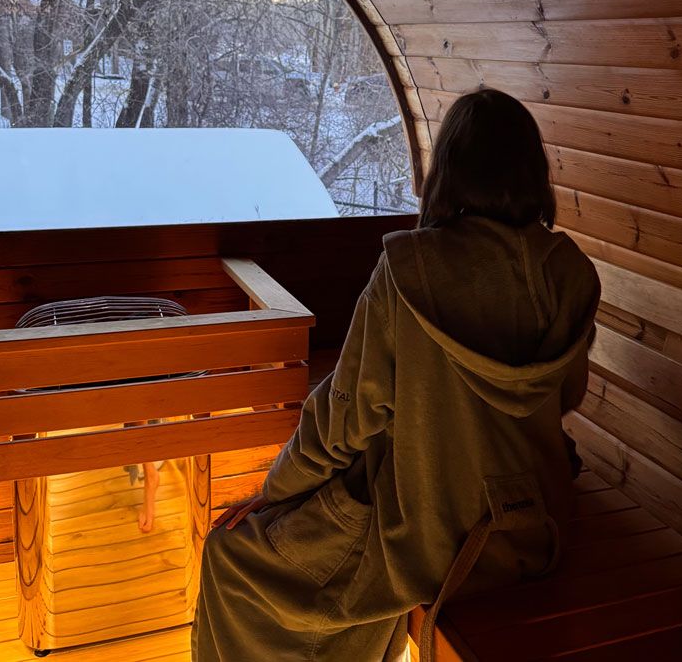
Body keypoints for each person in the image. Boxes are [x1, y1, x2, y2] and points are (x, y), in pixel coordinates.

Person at [192, 88, 601, 661]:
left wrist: (274, 492)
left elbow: (344, 417)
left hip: (432, 539)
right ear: (534, 170)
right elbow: (567, 396)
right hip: (539, 526)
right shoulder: (573, 272)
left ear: (449, 171)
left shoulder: (410, 269)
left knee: (231, 559)